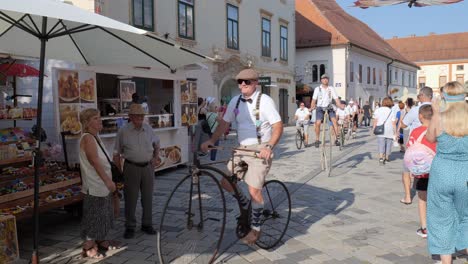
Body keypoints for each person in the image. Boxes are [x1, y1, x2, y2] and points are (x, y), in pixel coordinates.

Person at [201, 68, 283, 245]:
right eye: (240, 82)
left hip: (260, 149)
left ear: (256, 83)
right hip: (242, 149)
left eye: (247, 81)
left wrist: (269, 146)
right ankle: (244, 203)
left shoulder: (265, 101)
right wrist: (212, 140)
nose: (243, 84)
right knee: (225, 181)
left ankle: (256, 229)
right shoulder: (235, 101)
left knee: (254, 190)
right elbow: (224, 123)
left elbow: (278, 126)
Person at [425, 81, 468, 264]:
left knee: (440, 217)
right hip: (465, 172)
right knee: (466, 216)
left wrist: (435, 113)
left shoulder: (439, 118)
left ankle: (446, 261)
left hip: (442, 172)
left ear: (444, 97)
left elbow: (429, 138)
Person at [113, 104, 160, 239]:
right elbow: (116, 153)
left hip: (147, 168)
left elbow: (157, 143)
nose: (140, 118)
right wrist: (119, 171)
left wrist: (155, 158)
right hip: (131, 167)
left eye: (142, 116)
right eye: (137, 116)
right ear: (130, 117)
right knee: (131, 199)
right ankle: (130, 226)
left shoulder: (148, 128)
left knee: (147, 197)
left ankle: (147, 224)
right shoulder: (123, 131)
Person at [79, 108, 121, 259]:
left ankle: (101, 240)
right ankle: (88, 247)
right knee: (94, 215)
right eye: (96, 118)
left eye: (99, 117)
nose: (100, 120)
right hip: (95, 185)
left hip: (101, 184)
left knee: (103, 214)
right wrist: (108, 181)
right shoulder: (88, 138)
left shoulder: (95, 137)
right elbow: (95, 162)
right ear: (87, 122)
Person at [406, 105, 436, 238]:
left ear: (420, 116)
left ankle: (424, 228)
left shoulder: (416, 132)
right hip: (436, 170)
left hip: (421, 171)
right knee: (437, 199)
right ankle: (437, 226)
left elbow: (409, 149)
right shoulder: (438, 131)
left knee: (422, 198)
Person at [398, 87, 432, 205]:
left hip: (416, 145)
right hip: (433, 146)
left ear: (422, 96)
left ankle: (408, 196)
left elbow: (403, 125)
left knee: (406, 170)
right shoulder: (439, 110)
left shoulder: (416, 110)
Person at [309, 74, 344, 148]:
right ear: (321, 80)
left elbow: (336, 99)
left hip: (329, 107)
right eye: (324, 78)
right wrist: (312, 107)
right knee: (318, 123)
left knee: (334, 121)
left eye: (327, 78)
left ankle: (336, 139)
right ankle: (317, 139)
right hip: (320, 108)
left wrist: (340, 105)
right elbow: (314, 100)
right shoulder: (317, 89)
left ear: (328, 80)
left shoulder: (331, 88)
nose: (325, 80)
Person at [372, 97, 396, 164]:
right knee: (389, 143)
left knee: (381, 143)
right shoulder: (391, 111)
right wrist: (395, 132)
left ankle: (381, 157)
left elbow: (375, 120)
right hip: (389, 129)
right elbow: (393, 123)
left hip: (380, 129)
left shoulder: (378, 110)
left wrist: (373, 128)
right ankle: (387, 157)